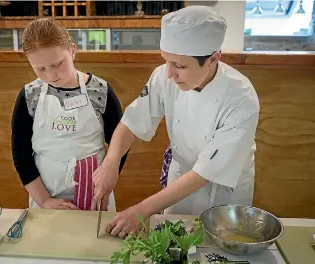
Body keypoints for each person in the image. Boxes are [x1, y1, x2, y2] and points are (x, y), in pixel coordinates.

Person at [92, 5, 260, 237]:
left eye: (180, 66)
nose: (169, 73)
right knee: (174, 244)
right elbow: (132, 121)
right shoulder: (164, 76)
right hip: (181, 175)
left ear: (213, 59)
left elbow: (205, 173)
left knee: (221, 248)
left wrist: (142, 210)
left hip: (225, 190)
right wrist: (111, 161)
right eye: (166, 61)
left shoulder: (241, 99)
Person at [11, 18, 127, 211]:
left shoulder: (99, 91)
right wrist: (44, 200)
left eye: (57, 64)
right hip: (46, 193)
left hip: (96, 194)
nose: (51, 75)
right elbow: (20, 154)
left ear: (72, 51)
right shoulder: (29, 96)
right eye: (40, 69)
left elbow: (119, 142)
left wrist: (107, 185)